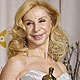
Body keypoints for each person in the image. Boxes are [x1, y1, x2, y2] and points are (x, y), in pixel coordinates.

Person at [0, 0, 71, 80]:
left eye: (41, 21)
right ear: (22, 28)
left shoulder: (61, 66)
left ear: (51, 23)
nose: (36, 29)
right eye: (29, 23)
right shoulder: (16, 64)